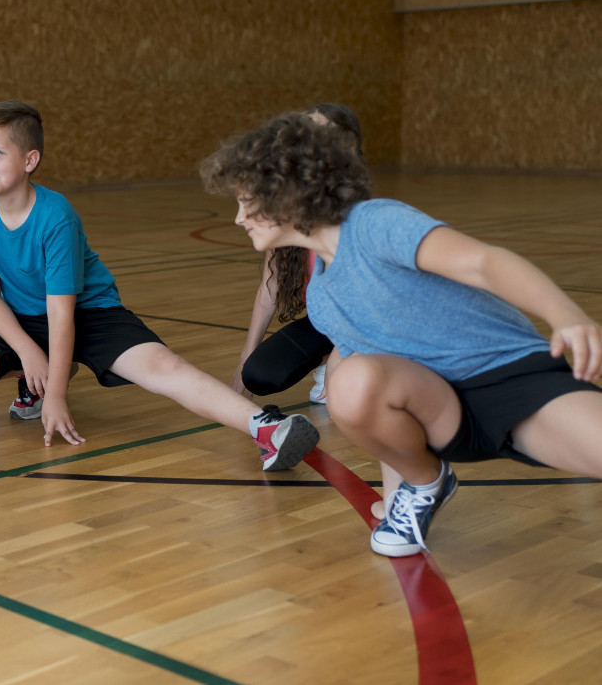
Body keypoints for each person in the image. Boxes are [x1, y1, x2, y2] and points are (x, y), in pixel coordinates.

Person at [201, 111, 602, 557]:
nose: (238, 218)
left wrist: (565, 313)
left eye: (246, 201)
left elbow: (485, 263)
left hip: (512, 381)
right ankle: (424, 483)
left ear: (287, 194)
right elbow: (375, 392)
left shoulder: (373, 223)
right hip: (443, 414)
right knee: (346, 379)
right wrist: (398, 491)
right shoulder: (324, 298)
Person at [0, 101, 320, 471]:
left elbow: (63, 314)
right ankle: (38, 379)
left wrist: (57, 394)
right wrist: (29, 354)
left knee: (164, 369)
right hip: (24, 318)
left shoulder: (56, 216)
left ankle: (265, 427)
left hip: (89, 314)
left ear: (30, 160)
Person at [230, 103, 363, 404]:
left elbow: (366, 305)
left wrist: (342, 354)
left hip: (370, 323)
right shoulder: (289, 211)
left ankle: (353, 361)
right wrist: (245, 355)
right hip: (326, 319)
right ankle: (332, 355)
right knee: (258, 373)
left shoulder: (358, 216)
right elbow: (270, 287)